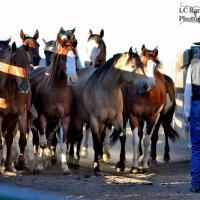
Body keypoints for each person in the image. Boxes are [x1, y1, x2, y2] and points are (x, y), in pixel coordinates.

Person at [184, 57, 200, 193]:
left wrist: (187, 113)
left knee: (196, 148)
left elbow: (188, 91)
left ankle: (196, 185)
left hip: (197, 107)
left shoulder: (193, 65)